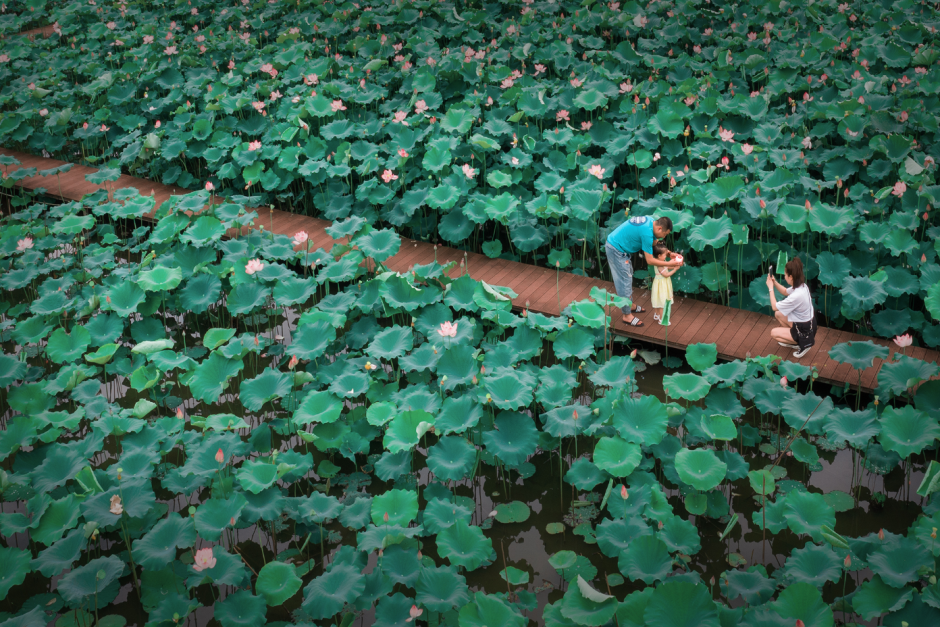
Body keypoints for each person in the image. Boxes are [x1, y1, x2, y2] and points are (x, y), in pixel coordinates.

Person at [605, 215, 683, 327]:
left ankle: (629, 304)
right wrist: (669, 264)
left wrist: (670, 254)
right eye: (665, 234)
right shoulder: (646, 233)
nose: (663, 237)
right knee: (624, 282)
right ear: (660, 229)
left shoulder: (651, 221)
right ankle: (626, 315)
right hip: (616, 250)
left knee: (628, 276)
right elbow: (650, 260)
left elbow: (655, 243)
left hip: (620, 247)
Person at [767, 257, 817, 358]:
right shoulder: (802, 286)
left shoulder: (796, 296)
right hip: (809, 324)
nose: (784, 276)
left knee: (773, 333)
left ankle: (803, 344)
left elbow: (774, 306)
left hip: (804, 332)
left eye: (785, 274)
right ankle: (793, 339)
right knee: (778, 314)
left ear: (791, 277)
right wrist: (774, 282)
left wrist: (770, 288)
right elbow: (785, 291)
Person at [650, 243, 679, 324]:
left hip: (662, 283)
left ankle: (657, 314)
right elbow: (666, 275)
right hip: (661, 284)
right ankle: (662, 319)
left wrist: (674, 265)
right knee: (662, 302)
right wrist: (675, 270)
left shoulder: (661, 261)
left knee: (658, 300)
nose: (666, 256)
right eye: (664, 255)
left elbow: (667, 266)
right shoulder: (658, 264)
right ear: (659, 255)